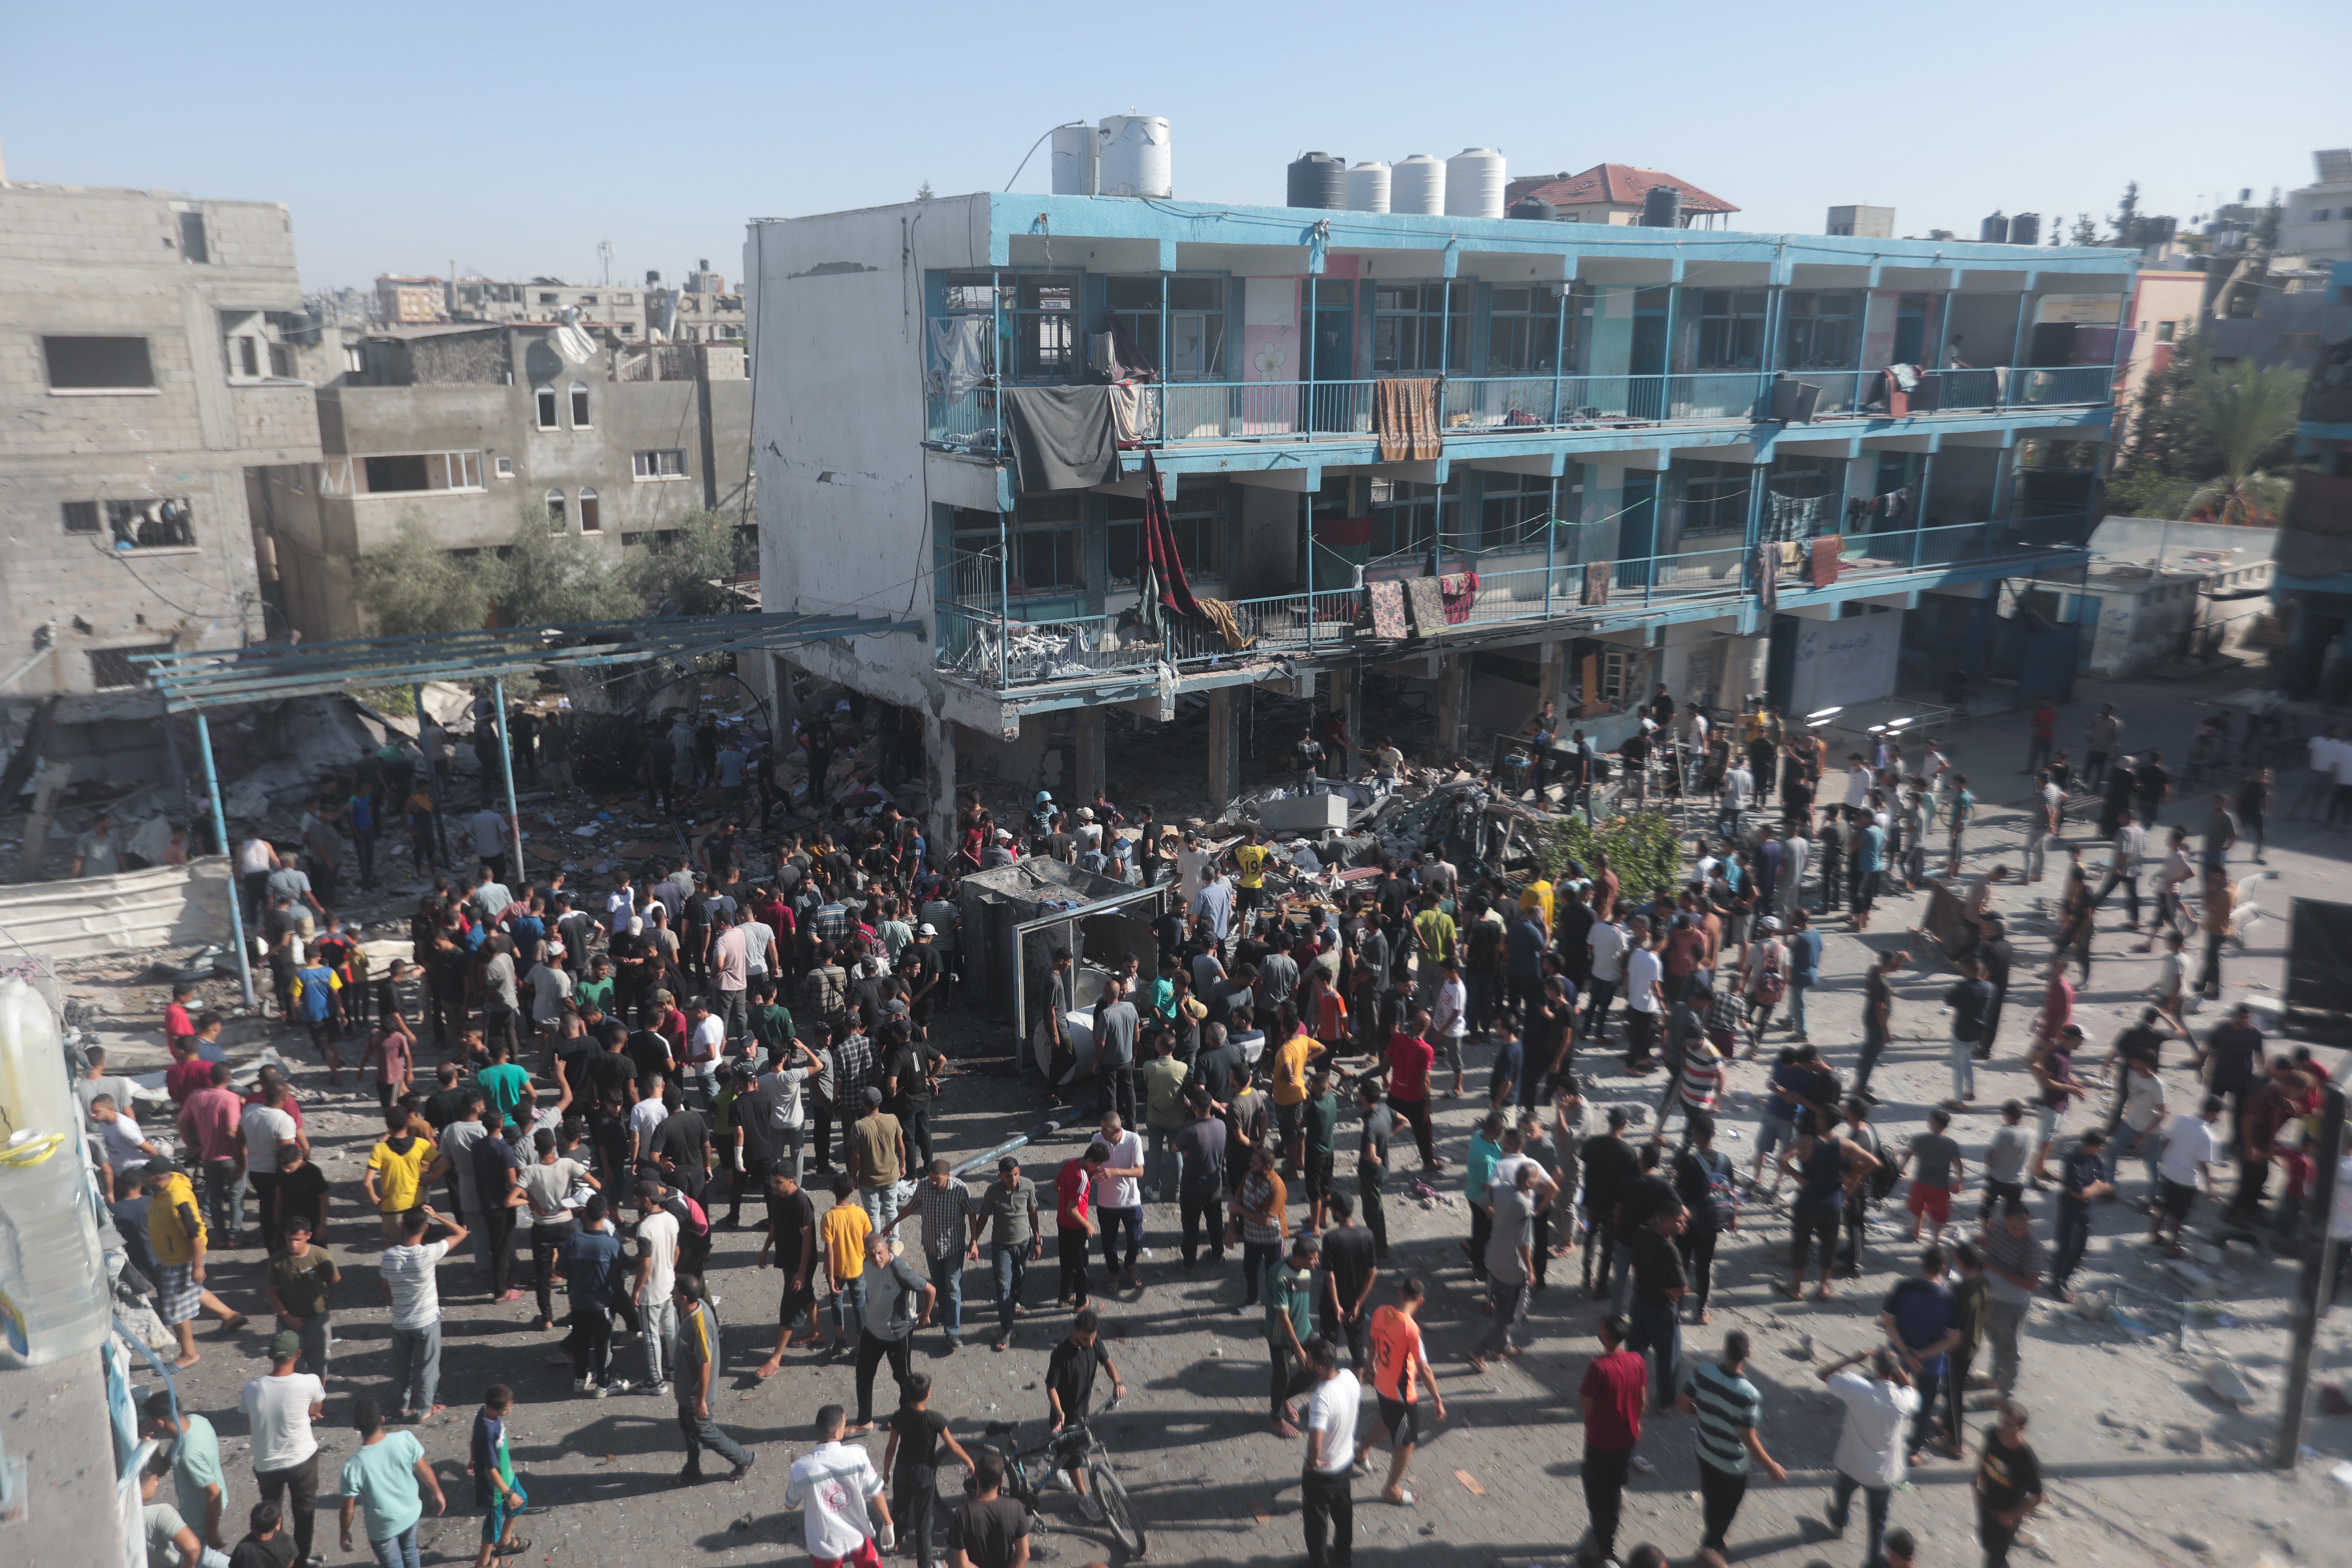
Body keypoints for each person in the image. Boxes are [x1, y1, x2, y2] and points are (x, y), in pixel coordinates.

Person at [1676, 1330, 1786, 1568]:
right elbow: (1749, 1438)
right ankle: (1710, 1550)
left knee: (1711, 1496)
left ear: (1724, 1351)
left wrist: (1702, 1414)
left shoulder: (1703, 1371)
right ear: (1748, 1354)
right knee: (1726, 1511)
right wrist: (1771, 1466)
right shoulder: (1749, 1394)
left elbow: (1683, 1404)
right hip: (1732, 1465)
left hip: (1705, 1451)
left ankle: (1714, 1539)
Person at [1818, 1347, 1917, 1568]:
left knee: (1842, 1492)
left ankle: (1839, 1522)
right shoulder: (1901, 1400)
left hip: (1852, 1463)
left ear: (1874, 1366)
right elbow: (1911, 1388)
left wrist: (1853, 1357)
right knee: (1878, 1525)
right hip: (1883, 1473)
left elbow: (1823, 1375)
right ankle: (1873, 1562)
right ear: (1893, 1371)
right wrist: (1897, 1365)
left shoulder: (1857, 1388)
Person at [240, 1331, 326, 1566]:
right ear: (298, 1354)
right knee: (305, 1512)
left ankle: (276, 1559)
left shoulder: (252, 1388)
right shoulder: (310, 1381)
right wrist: (307, 1412)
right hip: (303, 1459)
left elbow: (249, 1420)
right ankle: (300, 1560)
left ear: (270, 1356)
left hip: (267, 1463)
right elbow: (316, 1406)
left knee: (272, 1513)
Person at [1358, 1275, 1445, 1506]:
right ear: (1421, 1301)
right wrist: (1437, 1399)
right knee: (1406, 1442)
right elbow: (1424, 1369)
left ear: (1400, 1293)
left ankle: (1361, 1451)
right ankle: (1391, 1489)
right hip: (1401, 1394)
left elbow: (1373, 1343)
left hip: (1382, 1383)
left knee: (1390, 1422)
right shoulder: (1411, 1329)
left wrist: (1369, 1366)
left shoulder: (1380, 1312)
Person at [380, 1204, 466, 1420]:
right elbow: (462, 1233)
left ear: (402, 1225)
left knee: (402, 1366)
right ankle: (425, 1409)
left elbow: (386, 1288)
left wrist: (396, 1305)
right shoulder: (428, 1253)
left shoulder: (389, 1256)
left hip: (400, 1321)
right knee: (428, 1366)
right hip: (427, 1320)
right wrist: (438, 1215)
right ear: (426, 1228)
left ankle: (401, 1405)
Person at [671, 1275, 757, 1485]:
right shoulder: (692, 1308)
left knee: (704, 1430)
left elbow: (705, 1365)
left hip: (696, 1395)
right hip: (686, 1392)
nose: (670, 1294)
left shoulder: (699, 1325)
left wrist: (700, 1401)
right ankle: (692, 1470)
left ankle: (743, 1459)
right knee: (689, 1428)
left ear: (683, 1298)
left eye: (674, 1291)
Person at [336, 1395, 442, 1568]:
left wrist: (345, 1532)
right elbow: (424, 1470)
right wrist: (437, 1492)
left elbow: (349, 1509)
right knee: (410, 1551)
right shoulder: (405, 1439)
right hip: (410, 1513)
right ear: (382, 1419)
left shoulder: (353, 1467)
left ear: (356, 1428)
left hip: (383, 1528)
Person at [1881, 1246, 1964, 1464]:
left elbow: (1888, 1323)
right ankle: (1913, 1452)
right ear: (1943, 1269)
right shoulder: (1949, 1298)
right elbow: (1952, 1338)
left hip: (1899, 1359)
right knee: (1925, 1406)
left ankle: (1885, 1443)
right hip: (1931, 1362)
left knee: (1892, 1400)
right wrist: (1920, 1355)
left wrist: (1907, 1353)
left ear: (1921, 1263)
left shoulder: (1903, 1288)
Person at [883, 1371, 974, 1568]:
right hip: (924, 1474)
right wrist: (969, 1462)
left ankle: (897, 1542)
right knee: (924, 1520)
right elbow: (952, 1446)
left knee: (900, 1507)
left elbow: (891, 1448)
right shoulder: (935, 1419)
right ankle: (924, 1564)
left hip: (902, 1470)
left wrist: (886, 1473)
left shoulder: (899, 1416)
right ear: (928, 1395)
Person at [1577, 1314, 1646, 1568]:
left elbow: (1586, 1404)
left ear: (1606, 1337)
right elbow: (1641, 1398)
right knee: (1615, 1485)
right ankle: (1613, 1528)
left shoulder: (1599, 1368)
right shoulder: (1637, 1360)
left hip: (1600, 1441)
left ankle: (1605, 1549)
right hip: (1627, 1438)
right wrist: (1636, 1421)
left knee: (1597, 1493)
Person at [786, 1404, 894, 1568]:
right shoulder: (858, 1456)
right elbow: (876, 1494)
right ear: (837, 1433)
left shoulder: (800, 1469)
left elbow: (790, 1504)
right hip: (857, 1535)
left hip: (824, 1544)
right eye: (845, 1424)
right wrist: (888, 1524)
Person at [848, 1232, 933, 1433]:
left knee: (903, 1378)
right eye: (871, 1255)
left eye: (879, 1253)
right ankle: (864, 1421)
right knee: (863, 1374)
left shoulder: (899, 1269)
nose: (876, 1259)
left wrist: (925, 1315)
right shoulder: (867, 1264)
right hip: (872, 1329)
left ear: (887, 1249)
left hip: (897, 1334)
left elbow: (930, 1290)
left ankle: (907, 1416)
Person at [1045, 1309, 1126, 1516]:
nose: (1090, 1344)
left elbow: (1107, 1362)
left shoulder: (1094, 1341)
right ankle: (1083, 1500)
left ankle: (1054, 1473)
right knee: (1074, 1459)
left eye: (1092, 1339)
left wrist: (1117, 1383)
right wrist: (1060, 1413)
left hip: (1083, 1411)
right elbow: (1051, 1387)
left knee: (1065, 1454)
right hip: (1065, 1417)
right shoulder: (1061, 1354)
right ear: (1075, 1331)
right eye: (1084, 1339)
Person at [141, 1391, 229, 1561]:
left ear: (160, 1422)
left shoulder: (188, 1454)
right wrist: (150, 1442)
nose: (148, 1424)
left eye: (150, 1420)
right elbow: (163, 1467)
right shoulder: (198, 1422)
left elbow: (213, 1492)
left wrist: (213, 1531)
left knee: (199, 1556)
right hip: (211, 1505)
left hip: (201, 1513)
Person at [1299, 1336, 1360, 1568]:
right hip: (1345, 1462)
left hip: (1324, 1471)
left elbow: (1315, 1442)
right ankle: (1344, 1555)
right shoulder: (1350, 1377)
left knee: (1316, 1522)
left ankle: (1319, 1563)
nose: (1305, 1361)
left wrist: (1312, 1464)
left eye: (1309, 1359)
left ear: (1320, 1366)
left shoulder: (1321, 1398)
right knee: (1344, 1511)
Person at [975, 1156, 1042, 1352]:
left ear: (1019, 1172)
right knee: (1003, 1285)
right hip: (1001, 1246)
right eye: (1008, 1176)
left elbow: (1033, 1212)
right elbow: (984, 1216)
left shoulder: (1028, 1186)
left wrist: (1037, 1240)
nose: (1013, 1179)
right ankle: (1008, 1329)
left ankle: (1015, 1302)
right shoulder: (993, 1192)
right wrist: (974, 1241)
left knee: (1020, 1275)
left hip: (1023, 1243)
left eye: (1015, 1174)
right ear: (1000, 1176)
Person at [1979, 1199, 2045, 1396]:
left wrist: (1995, 1269)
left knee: (2009, 1350)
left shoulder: (2033, 1248)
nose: (2019, 1231)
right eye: (2014, 1227)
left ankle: (2005, 1396)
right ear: (2005, 1220)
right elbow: (1987, 1248)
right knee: (1994, 1341)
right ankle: (1994, 1378)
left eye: (2023, 1227)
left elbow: (2031, 1284)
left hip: (2011, 1306)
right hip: (1988, 1300)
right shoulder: (1997, 1228)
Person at [263, 1213, 338, 1382]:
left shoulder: (321, 1256)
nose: (293, 1244)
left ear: (308, 1236)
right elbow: (272, 1292)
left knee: (320, 1363)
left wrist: (319, 1290)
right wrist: (287, 1317)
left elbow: (334, 1278)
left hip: (318, 1318)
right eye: (290, 1239)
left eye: (298, 1240)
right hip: (290, 1321)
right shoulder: (278, 1261)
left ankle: (316, 1405)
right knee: (290, 1364)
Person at [2152, 1093, 2225, 1255]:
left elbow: (2166, 1140)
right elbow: (2202, 1164)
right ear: (2213, 1113)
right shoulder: (2206, 1135)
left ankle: (2155, 1234)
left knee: (2163, 1205)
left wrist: (2164, 1160)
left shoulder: (2181, 1119)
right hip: (2185, 1180)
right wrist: (2210, 1187)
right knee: (2178, 1214)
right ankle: (2172, 1246)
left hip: (2167, 1170)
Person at [1974, 1400, 2044, 1568]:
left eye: (2008, 1424)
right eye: (2001, 1421)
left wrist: (2011, 1516)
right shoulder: (1992, 1434)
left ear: (2021, 1429)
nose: (2001, 1427)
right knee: (1987, 1544)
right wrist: (1976, 1483)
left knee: (1994, 1559)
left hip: (2005, 1515)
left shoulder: (2026, 1460)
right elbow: (1984, 1454)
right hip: (1986, 1503)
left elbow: (2036, 1497)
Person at [1265, 1235, 1323, 1436]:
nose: (1316, 1263)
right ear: (1298, 1258)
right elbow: (1283, 1316)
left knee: (1318, 1365)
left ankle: (1283, 1398)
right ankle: (1276, 1418)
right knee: (1282, 1376)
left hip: (1304, 1330)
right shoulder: (1280, 1274)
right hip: (1280, 1336)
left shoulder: (1304, 1267)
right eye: (1313, 1259)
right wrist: (1298, 1350)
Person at [2049, 1129, 2113, 1301]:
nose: (2102, 1149)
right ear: (2092, 1146)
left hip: (2085, 1211)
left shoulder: (2095, 1159)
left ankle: (2064, 1279)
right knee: (2065, 1248)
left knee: (2080, 1249)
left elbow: (2106, 1185)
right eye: (2100, 1146)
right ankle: (2056, 1283)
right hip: (2070, 1210)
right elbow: (2078, 1193)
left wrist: (2095, 1188)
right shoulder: (2072, 1161)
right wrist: (2097, 1187)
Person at [947, 1446, 1029, 1568]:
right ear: (1001, 1480)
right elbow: (1024, 1555)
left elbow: (963, 1564)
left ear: (976, 1475)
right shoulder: (1016, 1508)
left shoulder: (962, 1515)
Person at [139, 1453, 203, 1568]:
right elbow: (193, 1548)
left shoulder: (116, 1518)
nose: (157, 1484)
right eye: (153, 1481)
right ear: (140, 1490)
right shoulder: (161, 1514)